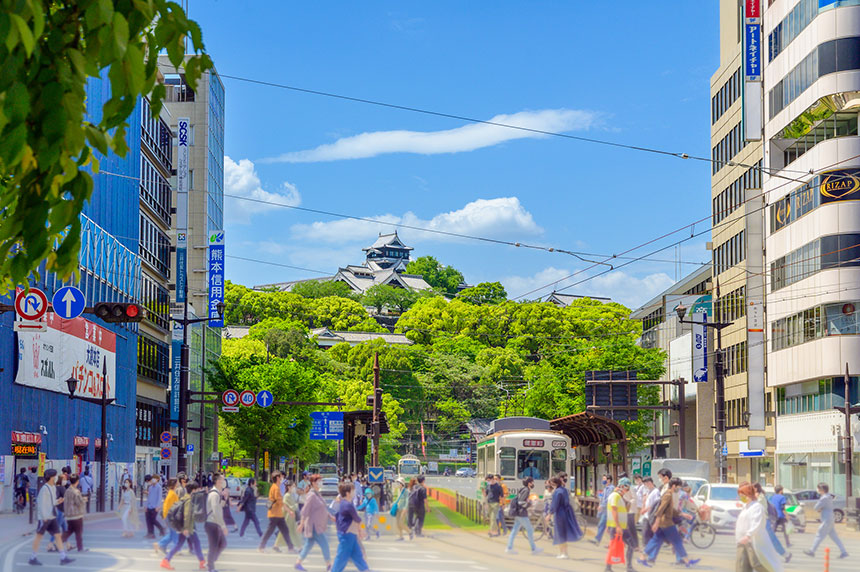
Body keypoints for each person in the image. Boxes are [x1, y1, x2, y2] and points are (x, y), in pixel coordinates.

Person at [639, 477, 699, 568]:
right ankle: (687, 561)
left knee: (656, 540)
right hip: (666, 523)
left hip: (663, 523)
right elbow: (660, 509)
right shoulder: (668, 495)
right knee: (677, 541)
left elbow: (671, 510)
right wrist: (656, 522)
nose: (679, 489)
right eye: (678, 487)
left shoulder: (669, 494)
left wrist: (682, 514)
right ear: (674, 486)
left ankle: (642, 558)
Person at [28, 469, 74, 566]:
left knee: (57, 535)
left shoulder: (53, 488)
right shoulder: (44, 488)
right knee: (39, 536)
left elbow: (52, 502)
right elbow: (40, 503)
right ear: (51, 477)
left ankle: (63, 557)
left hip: (52, 516)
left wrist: (59, 501)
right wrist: (44, 517)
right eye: (55, 476)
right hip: (45, 518)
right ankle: (33, 557)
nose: (56, 477)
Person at [736, 482, 783, 572]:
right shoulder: (747, 506)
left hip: (752, 541)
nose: (741, 498)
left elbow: (756, 523)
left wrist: (748, 535)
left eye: (742, 495)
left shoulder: (757, 507)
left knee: (756, 564)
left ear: (749, 494)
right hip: (743, 541)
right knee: (742, 566)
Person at [160, 481, 206, 571]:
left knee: (179, 544)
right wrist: (186, 528)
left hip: (185, 526)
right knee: (196, 543)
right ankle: (202, 562)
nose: (197, 491)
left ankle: (166, 560)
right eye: (196, 489)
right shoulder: (189, 500)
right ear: (193, 490)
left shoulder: (185, 498)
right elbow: (187, 515)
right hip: (188, 527)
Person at [295, 474, 333, 571]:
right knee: (324, 544)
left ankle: (298, 562)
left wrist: (330, 516)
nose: (320, 483)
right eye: (318, 481)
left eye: (321, 481)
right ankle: (329, 564)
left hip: (317, 524)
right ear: (313, 483)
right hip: (314, 525)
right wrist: (301, 524)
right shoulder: (311, 495)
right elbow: (305, 510)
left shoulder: (317, 493)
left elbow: (322, 508)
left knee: (308, 545)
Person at [803, 482, 849, 559]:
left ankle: (812, 551)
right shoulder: (829, 496)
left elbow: (816, 507)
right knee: (834, 537)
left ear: (822, 489)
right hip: (830, 518)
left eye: (818, 488)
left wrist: (820, 509)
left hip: (826, 520)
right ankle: (843, 551)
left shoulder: (824, 498)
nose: (817, 490)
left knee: (819, 535)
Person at [331, 482, 370, 572]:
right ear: (348, 493)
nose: (354, 492)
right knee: (341, 556)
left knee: (357, 555)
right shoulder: (347, 505)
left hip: (350, 534)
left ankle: (365, 569)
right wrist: (362, 531)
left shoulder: (345, 503)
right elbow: (357, 519)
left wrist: (359, 531)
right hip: (346, 534)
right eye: (353, 490)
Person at [754, 482, 791, 564]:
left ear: (756, 489)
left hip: (765, 521)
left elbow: (758, 506)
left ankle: (784, 554)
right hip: (768, 520)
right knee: (766, 539)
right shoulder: (760, 497)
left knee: (772, 539)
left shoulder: (761, 497)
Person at [547, 475, 582, 559]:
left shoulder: (557, 492)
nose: (550, 485)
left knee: (560, 533)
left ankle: (563, 553)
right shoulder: (564, 490)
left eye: (551, 483)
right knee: (563, 533)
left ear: (554, 483)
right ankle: (564, 552)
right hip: (566, 512)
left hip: (559, 513)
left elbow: (554, 504)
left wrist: (549, 514)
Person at [259, 472, 295, 552]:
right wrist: (289, 511)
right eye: (281, 476)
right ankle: (261, 546)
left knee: (284, 530)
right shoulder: (276, 488)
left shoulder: (275, 487)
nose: (282, 478)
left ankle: (290, 548)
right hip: (275, 514)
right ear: (278, 478)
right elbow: (280, 502)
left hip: (277, 514)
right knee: (270, 531)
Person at [505, 476, 542, 555]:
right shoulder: (526, 490)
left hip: (518, 513)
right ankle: (533, 548)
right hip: (522, 513)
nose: (533, 484)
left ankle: (509, 547)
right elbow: (521, 502)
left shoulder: (522, 489)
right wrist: (530, 503)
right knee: (530, 529)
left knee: (515, 530)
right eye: (532, 482)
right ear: (529, 483)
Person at [604, 477, 634, 572]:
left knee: (618, 545)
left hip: (620, 526)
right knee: (616, 545)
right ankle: (609, 567)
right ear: (621, 486)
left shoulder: (620, 497)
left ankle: (610, 567)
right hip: (617, 526)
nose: (628, 491)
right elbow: (613, 510)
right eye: (627, 488)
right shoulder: (615, 496)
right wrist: (617, 526)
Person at [204, 474, 228, 572]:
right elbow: (215, 511)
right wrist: (223, 526)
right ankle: (210, 567)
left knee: (222, 543)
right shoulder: (214, 494)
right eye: (223, 480)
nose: (224, 482)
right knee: (213, 546)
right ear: (218, 481)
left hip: (215, 523)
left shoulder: (217, 493)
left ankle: (210, 562)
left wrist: (224, 497)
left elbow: (220, 506)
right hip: (212, 523)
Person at [60, 474, 86, 553]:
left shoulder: (67, 490)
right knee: (78, 532)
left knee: (69, 531)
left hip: (68, 515)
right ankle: (80, 548)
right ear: (77, 481)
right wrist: (84, 500)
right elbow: (79, 503)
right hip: (76, 515)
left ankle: (58, 542)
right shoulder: (76, 491)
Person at [154, 478, 180, 556]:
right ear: (174, 484)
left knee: (172, 534)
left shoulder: (171, 493)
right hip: (171, 517)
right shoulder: (172, 494)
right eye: (177, 482)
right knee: (174, 533)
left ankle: (161, 545)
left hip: (169, 516)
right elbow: (169, 506)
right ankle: (174, 548)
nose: (178, 483)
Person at [276, 481, 302, 551]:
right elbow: (284, 505)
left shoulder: (290, 495)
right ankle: (297, 547)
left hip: (291, 515)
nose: (294, 488)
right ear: (289, 487)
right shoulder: (287, 495)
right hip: (288, 516)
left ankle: (279, 545)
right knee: (291, 531)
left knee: (288, 531)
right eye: (293, 486)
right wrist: (290, 511)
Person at [593, 475, 615, 546]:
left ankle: (597, 539)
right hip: (604, 510)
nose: (603, 480)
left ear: (609, 480)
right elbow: (602, 498)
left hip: (608, 509)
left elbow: (608, 498)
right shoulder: (605, 488)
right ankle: (611, 543)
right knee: (606, 526)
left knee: (602, 524)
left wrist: (602, 506)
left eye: (604, 479)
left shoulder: (611, 488)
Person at [145, 474, 166, 539]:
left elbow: (159, 497)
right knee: (148, 520)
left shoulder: (158, 487)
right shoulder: (150, 488)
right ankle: (150, 533)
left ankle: (161, 529)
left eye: (152, 479)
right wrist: (146, 506)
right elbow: (149, 497)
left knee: (153, 520)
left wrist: (158, 506)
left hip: (155, 507)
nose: (151, 481)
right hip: (149, 506)